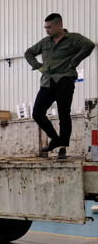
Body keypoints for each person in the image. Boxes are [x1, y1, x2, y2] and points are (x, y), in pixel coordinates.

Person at [24, 13, 94, 159]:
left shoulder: (73, 39)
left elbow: (89, 45)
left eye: (49, 27)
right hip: (47, 81)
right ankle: (55, 138)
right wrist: (38, 66)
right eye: (45, 27)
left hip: (65, 80)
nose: (47, 30)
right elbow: (29, 53)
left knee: (64, 114)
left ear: (59, 25)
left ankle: (62, 149)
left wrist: (74, 62)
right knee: (37, 113)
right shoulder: (45, 42)